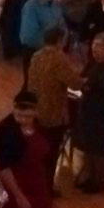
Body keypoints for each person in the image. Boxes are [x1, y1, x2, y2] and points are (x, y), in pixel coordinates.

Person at [72, 31, 104, 193]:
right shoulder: (92, 63)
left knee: (98, 148)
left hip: (102, 113)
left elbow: (102, 88)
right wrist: (86, 84)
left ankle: (98, 181)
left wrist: (87, 85)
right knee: (89, 146)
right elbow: (83, 79)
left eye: (99, 46)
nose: (94, 48)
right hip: (89, 109)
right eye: (94, 44)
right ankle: (89, 176)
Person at [26, 26, 75, 184]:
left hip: (36, 108)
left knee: (37, 149)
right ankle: (46, 186)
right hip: (53, 110)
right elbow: (74, 82)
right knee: (52, 151)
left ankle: (34, 181)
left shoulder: (36, 56)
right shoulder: (59, 58)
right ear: (60, 40)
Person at [19, 0, 63, 64]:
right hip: (35, 54)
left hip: (53, 52)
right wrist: (49, 48)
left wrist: (61, 43)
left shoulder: (56, 4)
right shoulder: (31, 7)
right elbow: (29, 38)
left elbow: (62, 26)